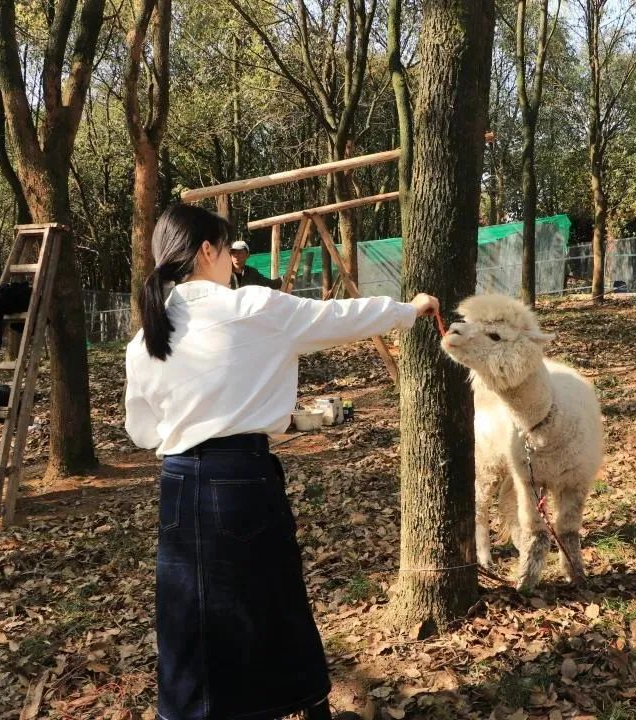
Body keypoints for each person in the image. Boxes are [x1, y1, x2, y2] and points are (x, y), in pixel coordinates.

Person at [124, 204, 439, 720]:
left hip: (179, 486)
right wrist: (409, 309)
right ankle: (301, 704)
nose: (232, 262)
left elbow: (142, 431)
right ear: (207, 250)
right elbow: (338, 318)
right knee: (272, 602)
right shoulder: (251, 307)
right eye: (227, 250)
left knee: (188, 617)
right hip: (240, 478)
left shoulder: (145, 339)